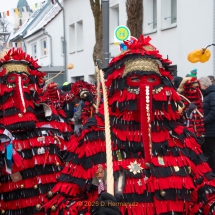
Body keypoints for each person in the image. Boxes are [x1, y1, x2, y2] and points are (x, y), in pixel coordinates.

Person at [44, 36, 215, 215]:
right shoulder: (93, 138)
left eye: (151, 81)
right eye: (134, 80)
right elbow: (60, 202)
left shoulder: (181, 138)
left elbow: (207, 196)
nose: (144, 88)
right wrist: (91, 211)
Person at [0, 48, 73, 214]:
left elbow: (73, 169)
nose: (19, 88)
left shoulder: (53, 121)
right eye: (10, 81)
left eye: (25, 81)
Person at [199, 76, 215, 172]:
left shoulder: (212, 95)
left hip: (211, 130)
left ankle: (212, 171)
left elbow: (213, 112)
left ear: (203, 85)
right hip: (208, 129)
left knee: (210, 151)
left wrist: (203, 121)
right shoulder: (207, 95)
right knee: (207, 151)